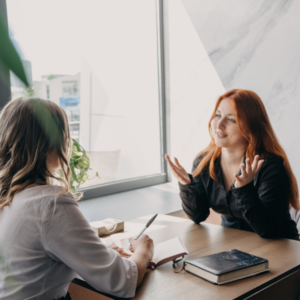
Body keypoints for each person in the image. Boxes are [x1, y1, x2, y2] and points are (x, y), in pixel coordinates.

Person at [0, 97, 154, 300]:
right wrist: (144, 251)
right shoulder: (50, 204)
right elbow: (122, 281)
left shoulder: (9, 197)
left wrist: (93, 253)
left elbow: (31, 259)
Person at [165, 89, 299, 239]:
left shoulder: (270, 166)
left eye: (231, 119)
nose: (219, 125)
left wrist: (244, 190)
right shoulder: (204, 162)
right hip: (233, 246)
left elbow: (268, 229)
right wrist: (187, 185)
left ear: (250, 129)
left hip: (281, 248)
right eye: (217, 115)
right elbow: (198, 216)